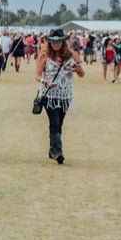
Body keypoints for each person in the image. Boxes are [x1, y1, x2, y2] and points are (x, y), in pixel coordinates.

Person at [35, 27, 83, 164]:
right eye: (53, 42)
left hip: (65, 94)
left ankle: (52, 149)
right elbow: (37, 75)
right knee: (54, 122)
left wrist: (79, 69)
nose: (56, 44)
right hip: (49, 94)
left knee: (59, 123)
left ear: (63, 42)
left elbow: (82, 74)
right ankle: (58, 152)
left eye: (59, 41)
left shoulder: (72, 55)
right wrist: (45, 81)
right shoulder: (44, 55)